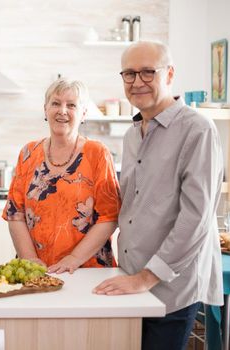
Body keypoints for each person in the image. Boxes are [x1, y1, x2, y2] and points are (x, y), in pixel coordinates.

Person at [93, 41, 224, 350]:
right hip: (130, 278)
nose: (137, 81)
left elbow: (196, 218)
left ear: (170, 74)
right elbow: (134, 203)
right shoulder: (132, 133)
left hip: (169, 285)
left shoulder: (197, 129)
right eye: (129, 73)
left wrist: (146, 277)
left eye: (148, 72)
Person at [2, 77, 121, 273]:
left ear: (83, 113)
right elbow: (15, 214)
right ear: (45, 110)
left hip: (87, 270)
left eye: (71, 105)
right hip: (36, 270)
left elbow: (109, 217)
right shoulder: (28, 153)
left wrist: (73, 259)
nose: (62, 110)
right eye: (55, 103)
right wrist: (30, 259)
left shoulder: (97, 153)